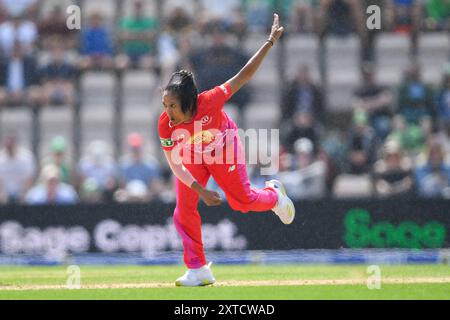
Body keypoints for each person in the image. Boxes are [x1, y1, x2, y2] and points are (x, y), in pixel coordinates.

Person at [158, 14, 295, 287]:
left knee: (241, 202)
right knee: (183, 210)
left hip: (225, 149)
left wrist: (269, 42)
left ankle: (273, 196)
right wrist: (200, 189)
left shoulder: (210, 100)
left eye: (172, 106)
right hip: (193, 156)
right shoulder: (166, 125)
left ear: (188, 101)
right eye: (165, 105)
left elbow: (244, 75)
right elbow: (175, 165)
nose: (168, 112)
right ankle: (197, 269)